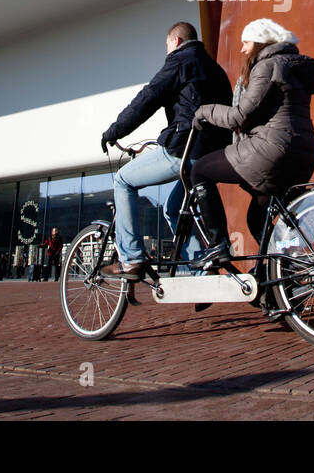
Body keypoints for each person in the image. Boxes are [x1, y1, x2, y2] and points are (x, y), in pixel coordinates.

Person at [97, 21, 233, 280]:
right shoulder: (215, 68)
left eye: (167, 45)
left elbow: (147, 99)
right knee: (173, 208)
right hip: (213, 155)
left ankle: (131, 259)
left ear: (177, 41)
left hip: (185, 149)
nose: (166, 51)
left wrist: (114, 131)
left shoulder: (180, 60)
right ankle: (201, 271)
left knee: (123, 180)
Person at [187, 18, 314, 270]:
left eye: (246, 42)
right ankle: (280, 271)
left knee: (200, 171)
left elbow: (239, 116)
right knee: (257, 216)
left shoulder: (267, 66)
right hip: (303, 152)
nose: (242, 49)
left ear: (262, 41)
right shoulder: (293, 67)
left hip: (272, 148)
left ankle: (217, 245)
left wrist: (204, 112)